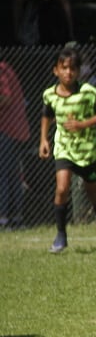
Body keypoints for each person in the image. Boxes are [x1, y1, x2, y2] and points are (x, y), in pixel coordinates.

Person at [39, 46, 96, 253]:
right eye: (64, 68)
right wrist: (44, 140)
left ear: (78, 72)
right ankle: (61, 235)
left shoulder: (89, 92)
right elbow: (46, 115)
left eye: (72, 69)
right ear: (56, 70)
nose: (68, 72)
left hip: (87, 149)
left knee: (92, 191)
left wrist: (83, 124)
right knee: (62, 188)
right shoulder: (50, 95)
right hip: (63, 147)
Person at [0, 58, 29, 229]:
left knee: (3, 174)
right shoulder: (6, 68)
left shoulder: (1, 70)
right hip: (14, 129)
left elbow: (5, 98)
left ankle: (3, 219)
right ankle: (15, 218)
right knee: (12, 174)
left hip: (7, 129)